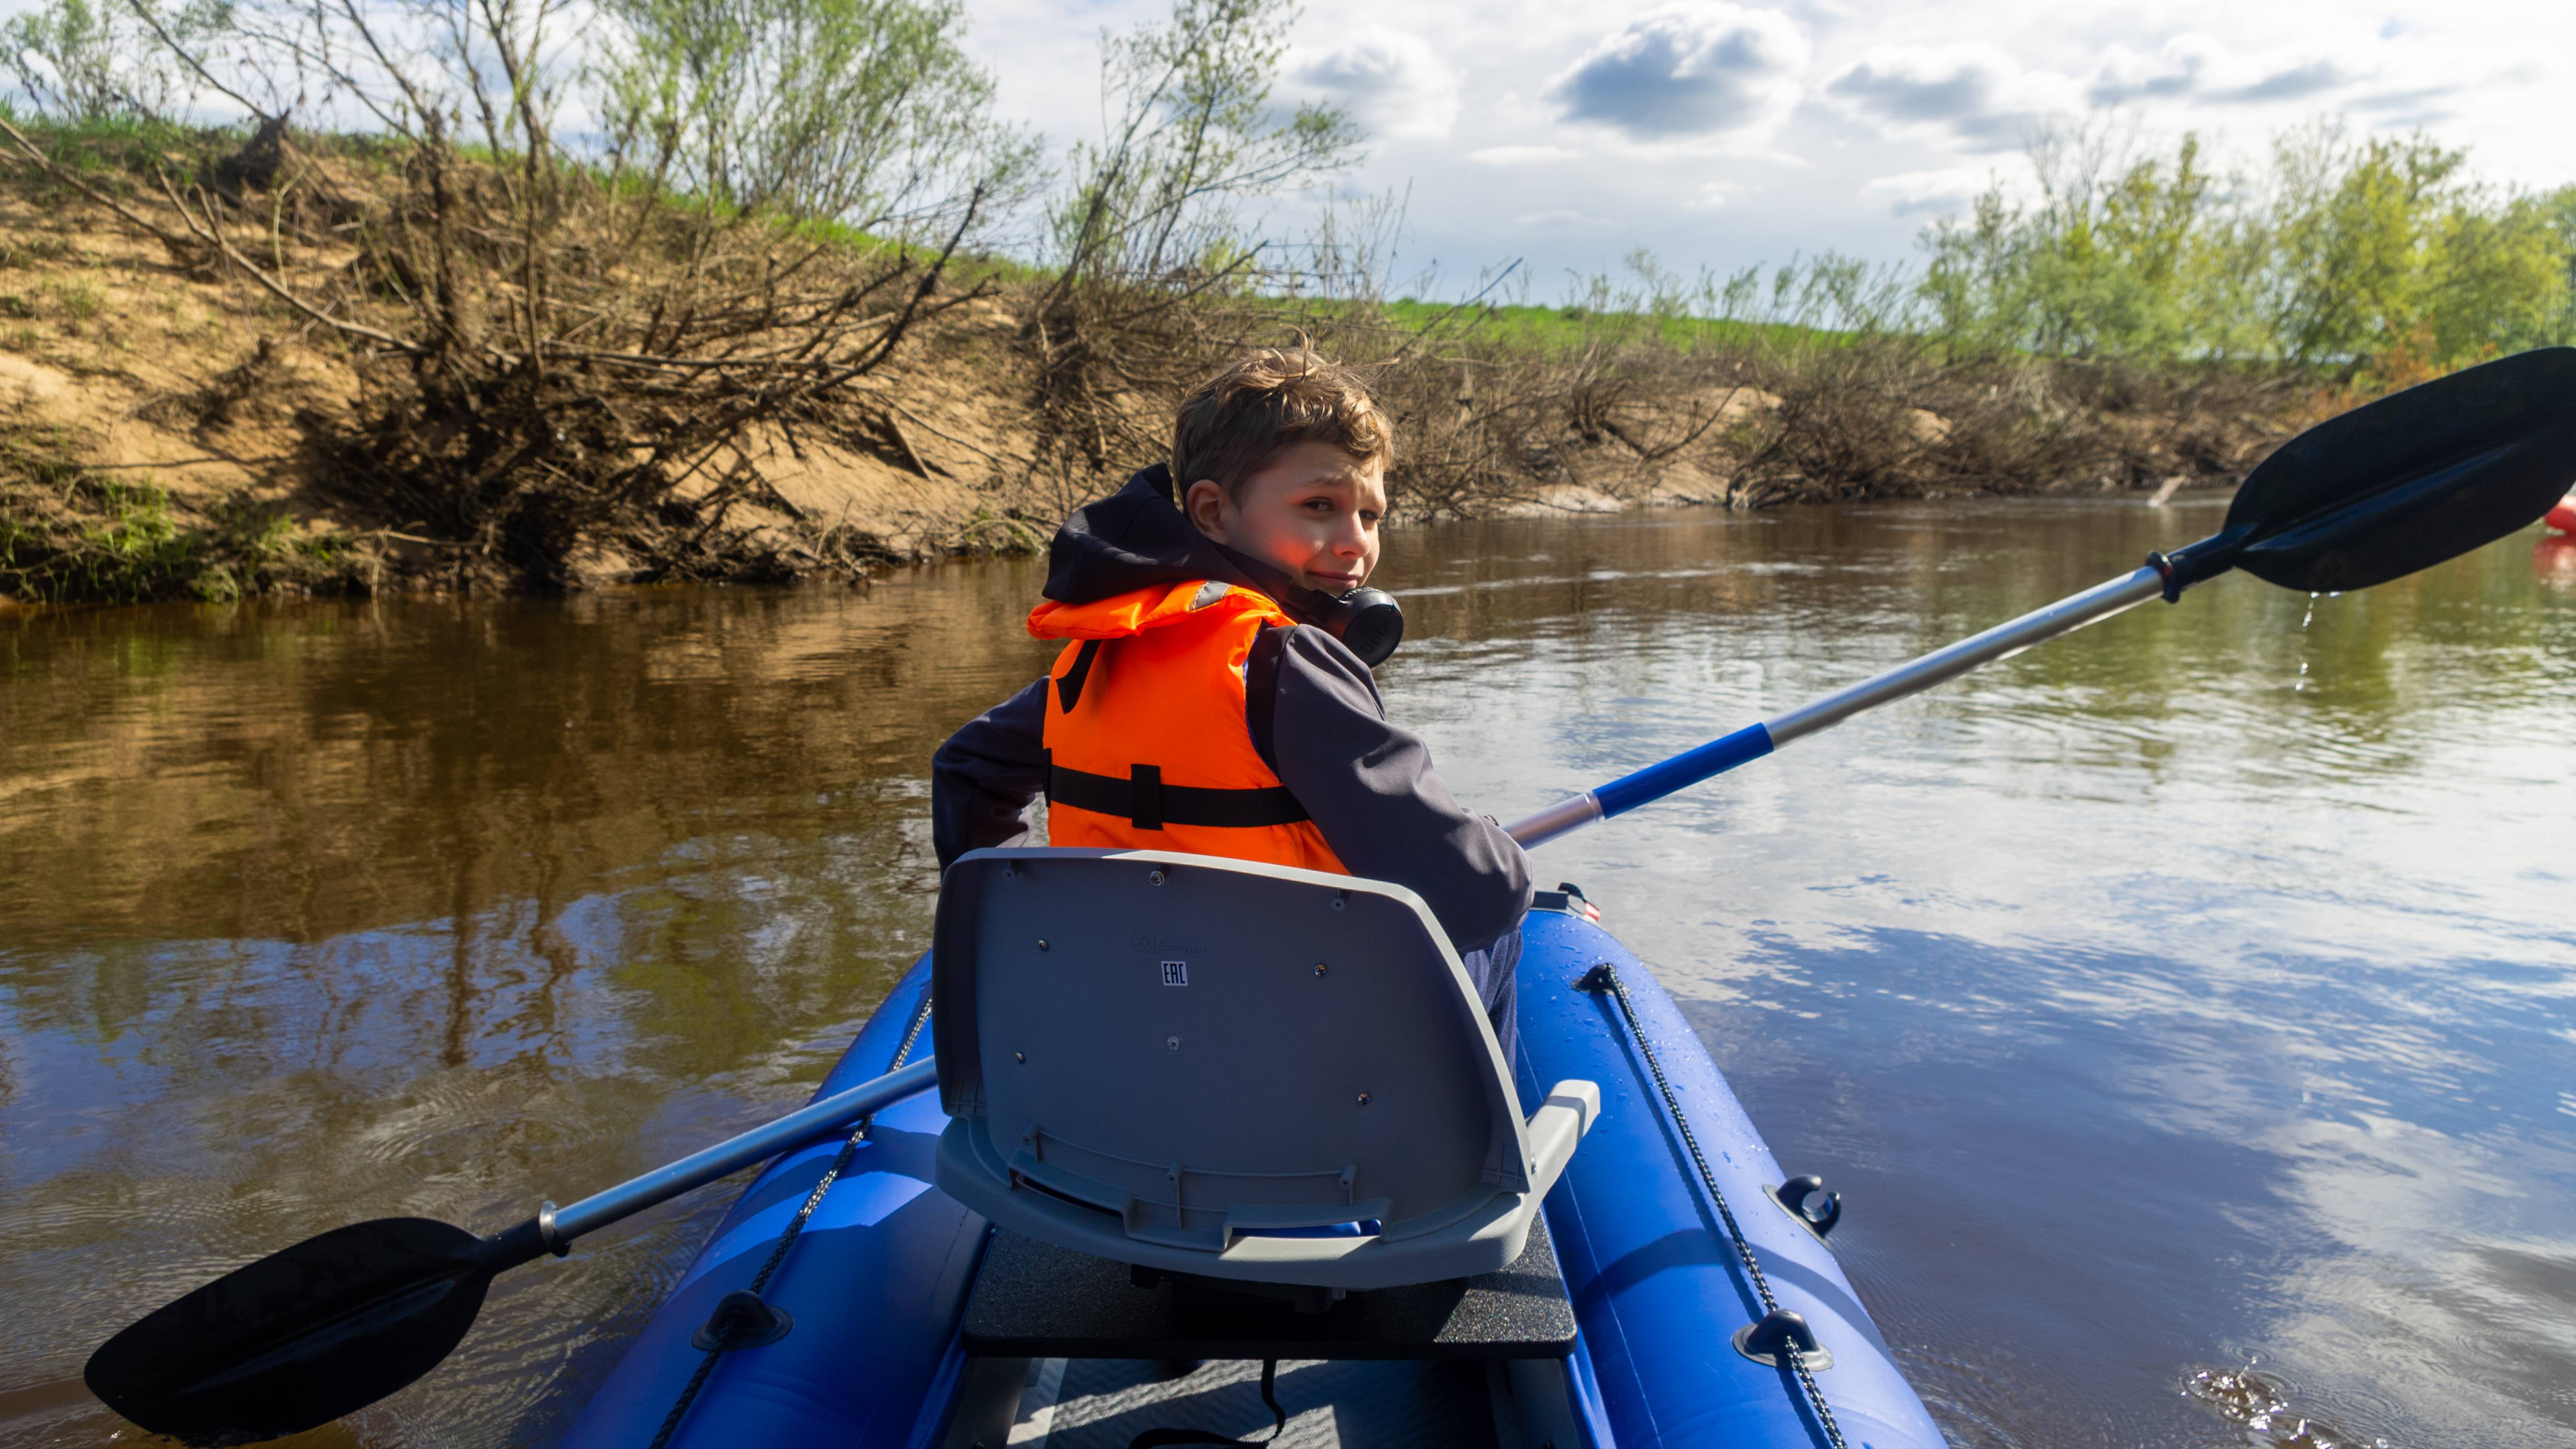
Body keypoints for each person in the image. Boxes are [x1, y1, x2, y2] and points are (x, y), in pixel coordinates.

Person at [930, 347, 1533, 1055]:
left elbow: (966, 767)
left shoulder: (1092, 656)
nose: (1355, 546)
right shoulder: (1290, 662)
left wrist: (1023, 933)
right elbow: (1474, 889)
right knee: (1508, 927)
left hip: (1127, 1017)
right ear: (1212, 512)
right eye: (1320, 507)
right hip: (1299, 1047)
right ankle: (1477, 1161)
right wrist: (1496, 846)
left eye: (1371, 516)